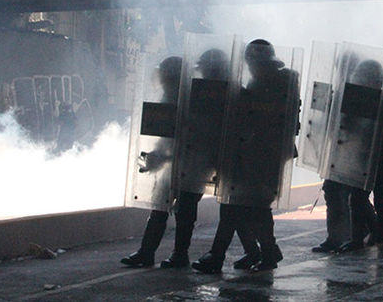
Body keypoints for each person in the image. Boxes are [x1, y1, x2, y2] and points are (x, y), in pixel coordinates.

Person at [193, 39, 299, 272]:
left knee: (246, 207)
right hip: (257, 156)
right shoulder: (272, 83)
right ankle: (262, 252)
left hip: (261, 157)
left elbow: (258, 124)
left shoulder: (267, 86)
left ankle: (228, 256)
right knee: (243, 207)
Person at [122, 56, 202, 269]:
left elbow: (192, 138)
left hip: (192, 166)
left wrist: (162, 157)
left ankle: (176, 254)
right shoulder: (172, 96)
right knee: (159, 209)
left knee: (183, 213)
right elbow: (166, 137)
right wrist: (158, 156)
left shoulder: (193, 100)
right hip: (175, 166)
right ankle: (148, 253)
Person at [337, 59, 383, 252]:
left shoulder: (371, 97)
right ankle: (379, 236)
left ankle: (368, 237)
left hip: (369, 155)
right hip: (377, 155)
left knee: (361, 199)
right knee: (377, 200)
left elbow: (348, 126)